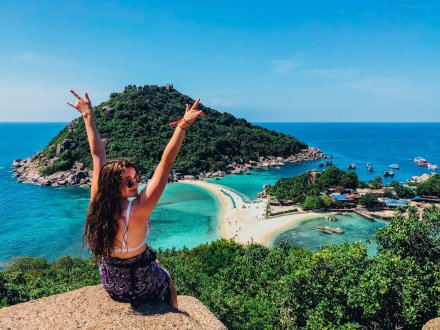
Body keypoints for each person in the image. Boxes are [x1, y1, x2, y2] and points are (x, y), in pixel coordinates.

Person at [67, 90, 206, 309]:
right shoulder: (140, 208)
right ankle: (176, 314)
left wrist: (87, 116)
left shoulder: (97, 201)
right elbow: (166, 162)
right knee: (165, 275)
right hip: (141, 284)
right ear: (114, 186)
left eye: (136, 178)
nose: (136, 185)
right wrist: (182, 125)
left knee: (151, 261)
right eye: (129, 182)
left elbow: (97, 156)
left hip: (113, 284)